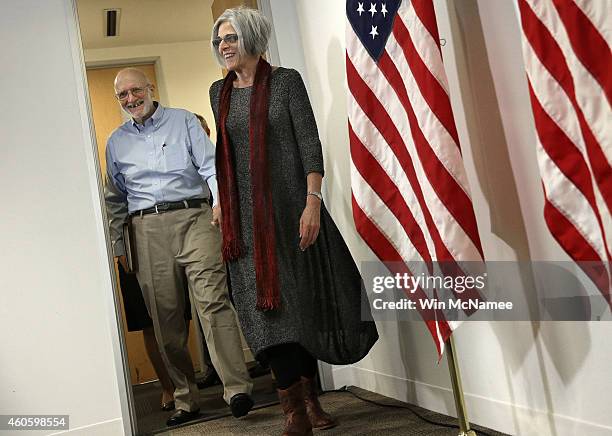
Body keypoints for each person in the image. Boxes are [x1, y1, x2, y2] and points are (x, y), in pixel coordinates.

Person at [209, 7, 379, 435]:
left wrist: (312, 202)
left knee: (298, 307)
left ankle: (309, 399)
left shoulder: (285, 82)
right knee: (267, 313)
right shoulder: (219, 93)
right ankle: (294, 410)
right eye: (219, 41)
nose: (223, 47)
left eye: (230, 38)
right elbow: (224, 154)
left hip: (289, 212)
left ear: (251, 37)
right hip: (246, 225)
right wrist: (220, 201)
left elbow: (309, 144)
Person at [104, 68, 254, 427]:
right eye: (122, 95)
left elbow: (211, 168)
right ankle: (186, 397)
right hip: (146, 229)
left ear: (150, 88)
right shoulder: (116, 142)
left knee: (213, 303)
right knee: (165, 319)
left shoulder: (183, 121)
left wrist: (219, 204)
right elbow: (115, 199)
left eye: (135, 91)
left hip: (195, 219)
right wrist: (118, 244)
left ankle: (237, 389)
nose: (130, 100)